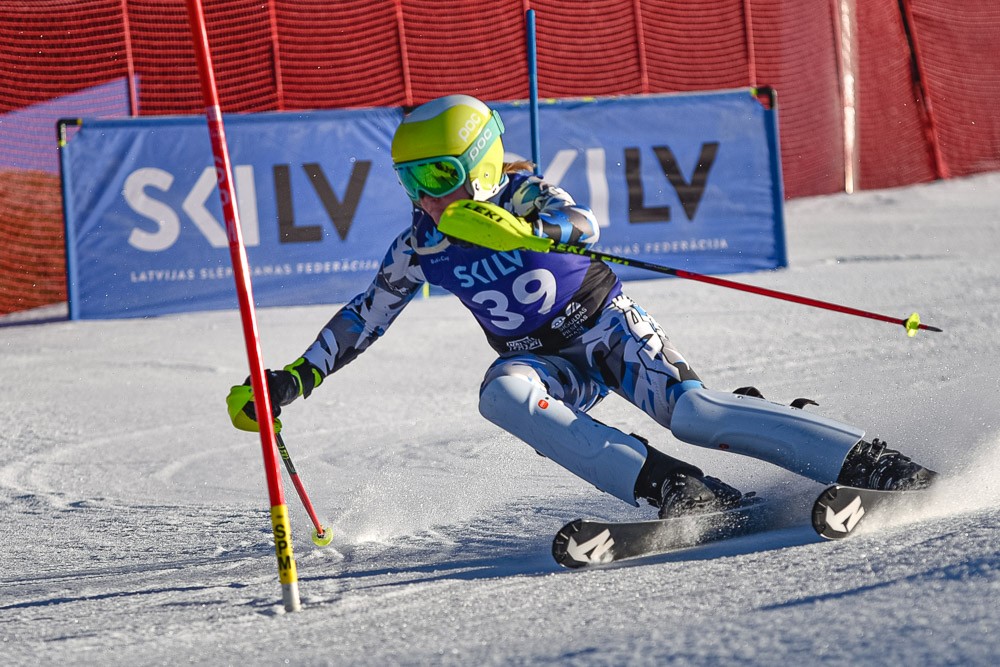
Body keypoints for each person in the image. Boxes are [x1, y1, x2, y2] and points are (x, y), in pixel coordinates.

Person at [226, 94, 936, 519]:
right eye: (411, 181)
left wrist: (531, 229)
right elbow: (365, 315)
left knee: (693, 414)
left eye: (439, 175)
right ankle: (674, 489)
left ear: (480, 163)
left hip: (606, 332)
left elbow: (583, 225)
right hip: (545, 364)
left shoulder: (521, 193)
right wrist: (294, 378)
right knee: (502, 393)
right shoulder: (419, 244)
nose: (427, 196)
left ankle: (863, 457)